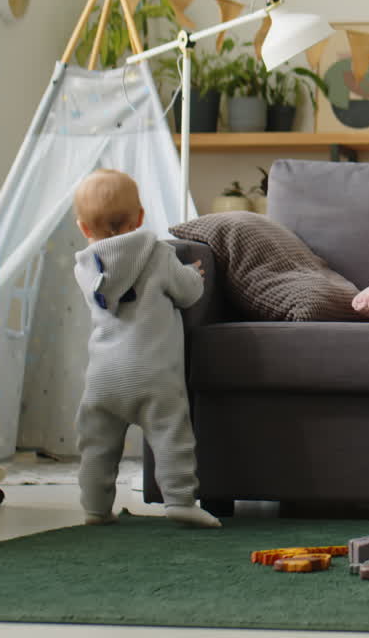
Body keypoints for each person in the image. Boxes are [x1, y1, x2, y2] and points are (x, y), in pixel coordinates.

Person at [71, 168, 220, 528]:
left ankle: (95, 508)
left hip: (103, 377)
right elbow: (188, 293)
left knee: (96, 447)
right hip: (153, 373)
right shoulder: (156, 252)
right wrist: (194, 274)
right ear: (139, 217)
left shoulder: (85, 267)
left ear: (83, 228)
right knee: (171, 437)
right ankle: (180, 501)